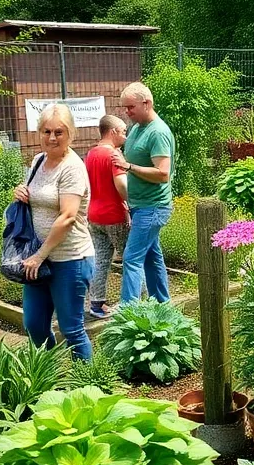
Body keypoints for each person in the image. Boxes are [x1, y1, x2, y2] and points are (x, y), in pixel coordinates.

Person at [13, 103, 95, 358]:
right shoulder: (39, 160)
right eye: (46, 131)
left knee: (72, 330)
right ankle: (52, 377)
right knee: (35, 325)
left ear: (71, 133)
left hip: (69, 259)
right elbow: (36, 193)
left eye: (59, 132)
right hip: (38, 258)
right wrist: (20, 191)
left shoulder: (72, 168)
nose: (52, 138)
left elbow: (68, 217)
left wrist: (40, 255)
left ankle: (89, 389)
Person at [113, 81, 175, 303]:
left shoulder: (158, 132)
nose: (126, 112)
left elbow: (163, 173)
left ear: (146, 103)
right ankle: (162, 305)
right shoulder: (138, 129)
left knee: (131, 258)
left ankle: (128, 314)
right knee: (151, 258)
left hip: (153, 207)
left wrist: (128, 167)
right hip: (140, 206)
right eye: (125, 107)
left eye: (130, 107)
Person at [85, 114, 130, 319]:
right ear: (112, 132)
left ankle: (96, 304)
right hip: (115, 215)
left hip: (94, 215)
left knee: (101, 259)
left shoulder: (91, 154)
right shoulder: (113, 156)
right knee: (132, 259)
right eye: (123, 132)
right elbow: (121, 184)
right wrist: (131, 202)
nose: (125, 136)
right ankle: (137, 303)